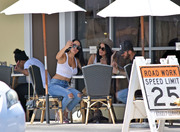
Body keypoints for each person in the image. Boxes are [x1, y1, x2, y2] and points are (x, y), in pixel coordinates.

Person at [48, 39, 85, 123]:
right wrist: (66, 47)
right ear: (70, 45)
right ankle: (59, 113)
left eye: (78, 47)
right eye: (74, 45)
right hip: (54, 85)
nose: (75, 48)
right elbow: (57, 57)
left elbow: (85, 69)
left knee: (79, 95)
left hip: (65, 85)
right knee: (69, 95)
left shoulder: (76, 60)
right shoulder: (64, 56)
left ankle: (65, 113)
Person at [13, 49, 51, 113]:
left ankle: (24, 113)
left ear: (20, 62)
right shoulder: (34, 60)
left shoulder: (27, 63)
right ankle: (28, 113)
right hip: (46, 87)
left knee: (17, 90)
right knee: (22, 88)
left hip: (42, 88)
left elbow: (28, 72)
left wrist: (19, 70)